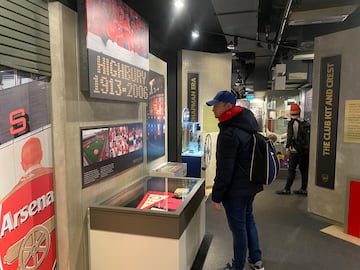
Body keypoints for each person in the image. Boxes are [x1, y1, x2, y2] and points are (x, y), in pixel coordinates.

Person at [206, 90, 265, 270]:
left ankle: (237, 266)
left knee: (238, 229)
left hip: (235, 191)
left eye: (216, 105)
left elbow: (225, 170)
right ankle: (256, 260)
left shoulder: (229, 132)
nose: (213, 109)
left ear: (228, 106)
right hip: (250, 185)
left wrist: (216, 196)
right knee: (248, 221)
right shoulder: (246, 125)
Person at [276, 103, 309, 196]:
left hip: (295, 150)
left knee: (291, 170)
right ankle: (303, 189)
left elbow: (290, 136)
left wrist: (287, 147)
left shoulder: (291, 123)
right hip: (305, 151)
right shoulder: (305, 122)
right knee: (304, 170)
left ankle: (287, 189)